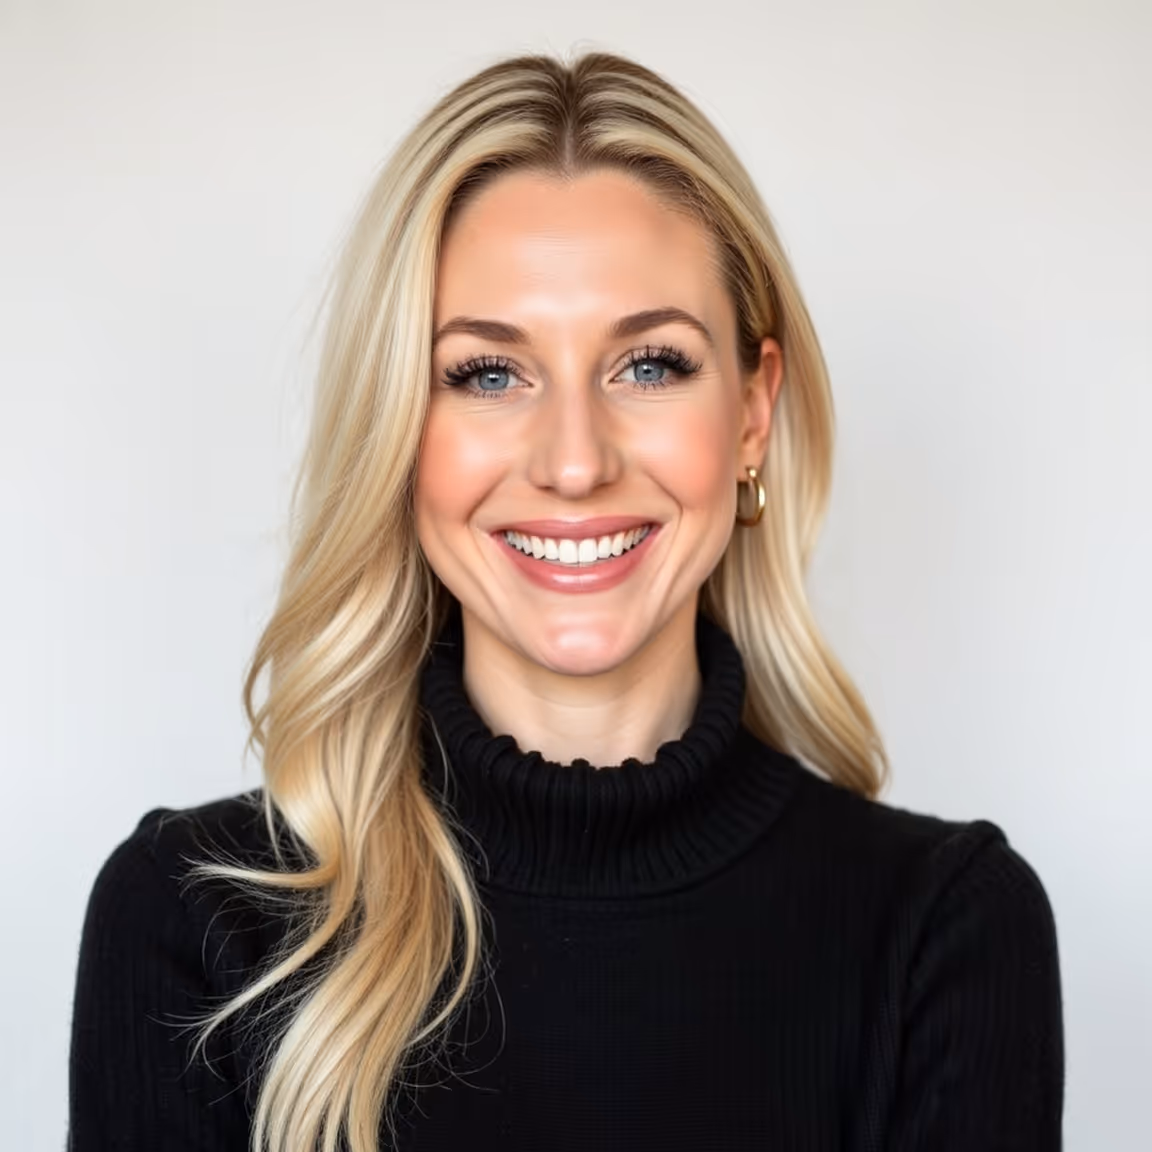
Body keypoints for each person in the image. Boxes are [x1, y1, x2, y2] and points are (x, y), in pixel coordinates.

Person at [68, 51, 1065, 1152]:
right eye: (488, 374)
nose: (576, 462)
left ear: (750, 413)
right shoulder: (193, 926)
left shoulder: (943, 931)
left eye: (649, 364)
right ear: (397, 431)